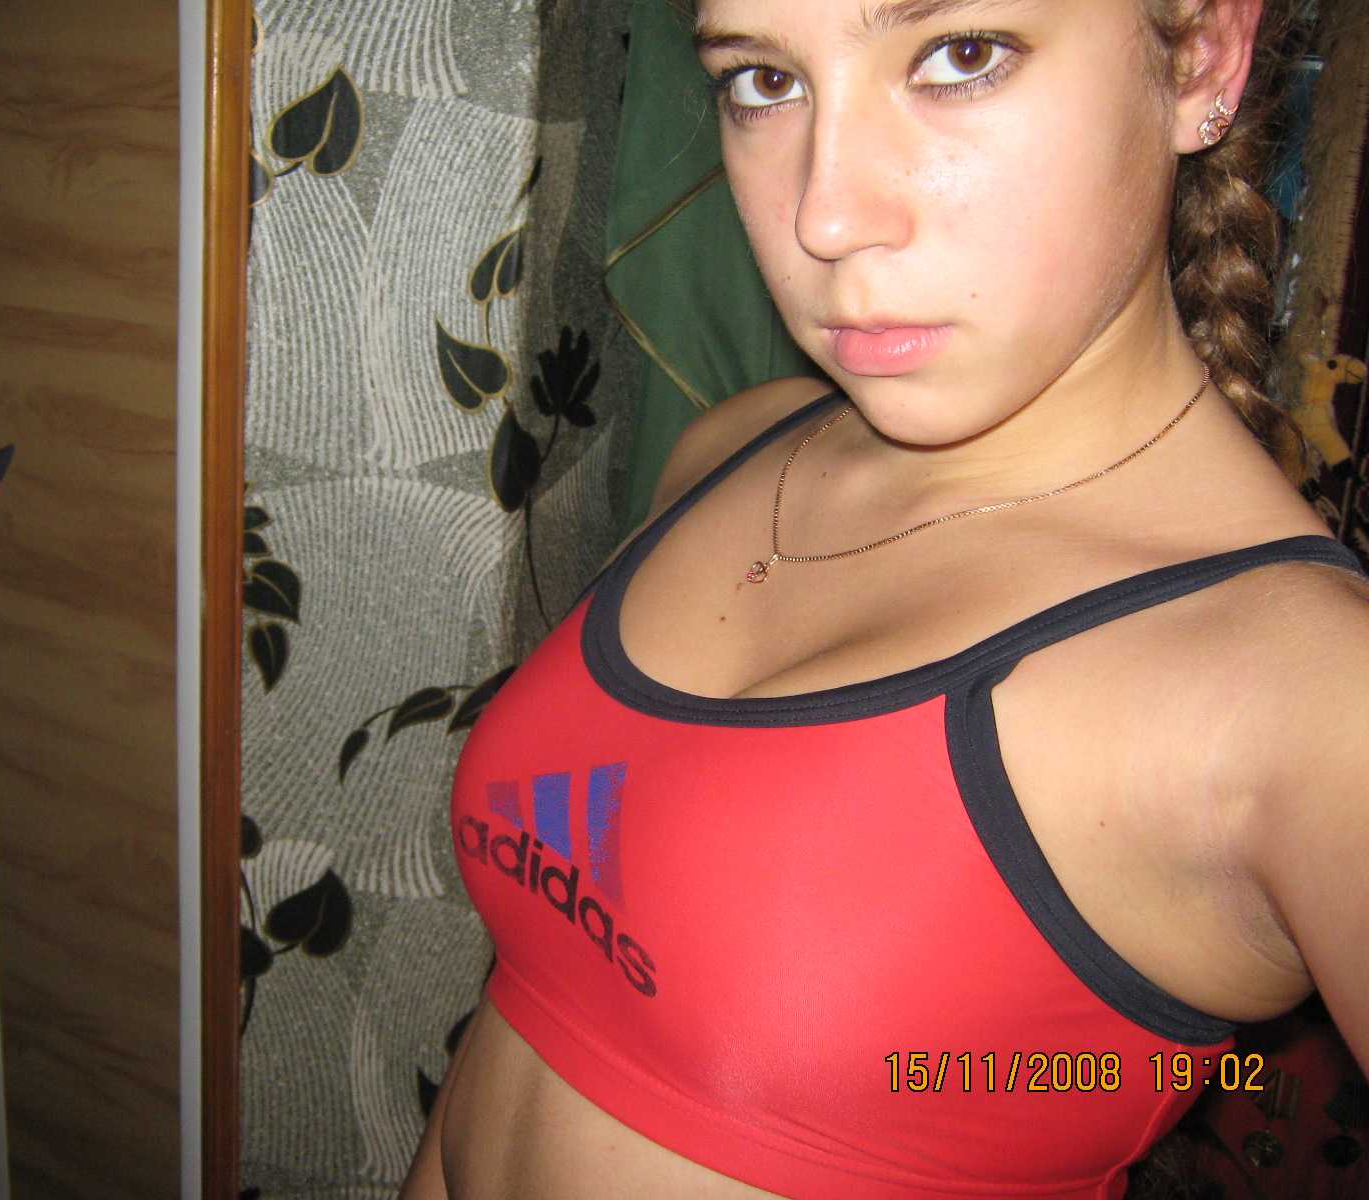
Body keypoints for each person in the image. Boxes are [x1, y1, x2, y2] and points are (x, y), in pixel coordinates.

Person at [404, 0, 1369, 1197]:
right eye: (762, 82)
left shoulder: (1307, 698)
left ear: (1200, 55)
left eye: (961, 57)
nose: (825, 215)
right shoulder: (731, 451)